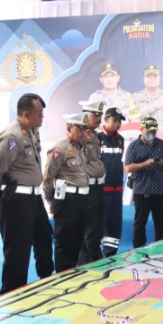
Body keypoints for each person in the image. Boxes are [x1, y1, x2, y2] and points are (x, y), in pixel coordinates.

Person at [0, 93, 54, 295]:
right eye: (39, 113)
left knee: (44, 238)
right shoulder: (12, 136)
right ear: (26, 114)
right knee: (18, 250)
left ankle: (46, 281)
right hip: (16, 200)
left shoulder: (29, 132)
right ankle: (11, 295)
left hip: (33, 198)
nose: (42, 116)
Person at [43, 113, 91, 272]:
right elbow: (48, 178)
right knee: (65, 242)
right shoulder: (59, 149)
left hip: (82, 199)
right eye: (79, 129)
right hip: (66, 200)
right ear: (69, 129)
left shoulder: (81, 148)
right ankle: (62, 275)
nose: (83, 133)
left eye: (85, 129)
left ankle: (71, 272)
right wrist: (52, 202)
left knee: (77, 240)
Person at [124, 117, 163, 248]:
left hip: (160, 190)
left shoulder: (161, 144)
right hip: (142, 191)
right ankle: (138, 249)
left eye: (153, 131)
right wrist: (145, 164)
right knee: (140, 222)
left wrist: (162, 164)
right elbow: (128, 167)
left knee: (161, 222)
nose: (151, 134)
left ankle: (160, 247)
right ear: (141, 129)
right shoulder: (133, 146)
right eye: (148, 131)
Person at [77, 100, 107, 264]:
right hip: (87, 186)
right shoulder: (80, 135)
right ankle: (87, 260)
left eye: (100, 115)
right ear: (86, 115)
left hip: (98, 186)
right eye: (95, 115)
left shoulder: (96, 136)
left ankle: (93, 257)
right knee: (88, 226)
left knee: (97, 225)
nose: (99, 119)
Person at [98, 107, 126, 257]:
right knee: (99, 225)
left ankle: (110, 256)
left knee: (114, 226)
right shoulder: (96, 139)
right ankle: (95, 257)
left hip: (117, 191)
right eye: (115, 120)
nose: (117, 124)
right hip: (101, 192)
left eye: (120, 121)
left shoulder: (121, 140)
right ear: (106, 119)